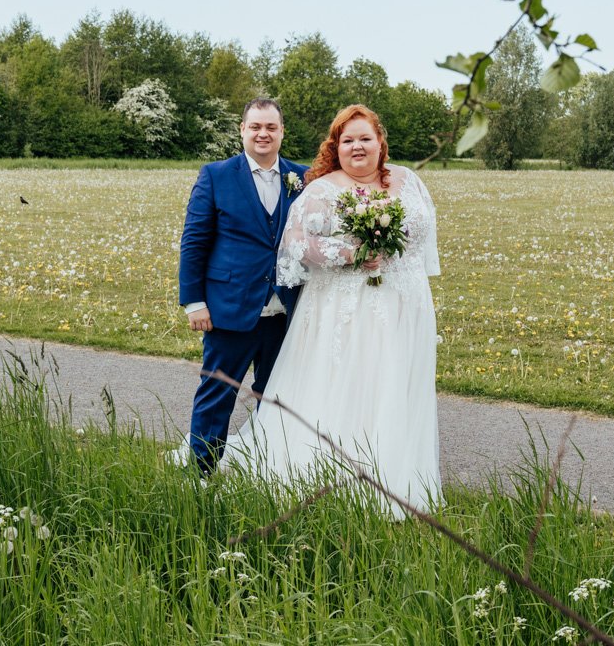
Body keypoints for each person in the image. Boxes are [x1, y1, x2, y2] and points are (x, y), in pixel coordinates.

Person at [221, 104, 442, 516]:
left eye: (365, 138)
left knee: (397, 385)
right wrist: (351, 252)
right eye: (347, 140)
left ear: (380, 142)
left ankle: (400, 480)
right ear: (335, 147)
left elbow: (423, 239)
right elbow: (295, 247)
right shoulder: (323, 189)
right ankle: (343, 482)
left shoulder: (408, 181)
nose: (357, 147)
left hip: (407, 306)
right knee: (355, 384)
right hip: (350, 308)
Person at [178, 98, 309, 474]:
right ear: (242, 130)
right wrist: (194, 302)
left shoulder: (304, 178)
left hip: (285, 311)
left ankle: (268, 471)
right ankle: (202, 474)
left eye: (271, 127)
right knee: (217, 393)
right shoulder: (216, 175)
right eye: (255, 127)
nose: (263, 134)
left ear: (282, 132)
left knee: (277, 397)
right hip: (229, 309)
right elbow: (194, 242)